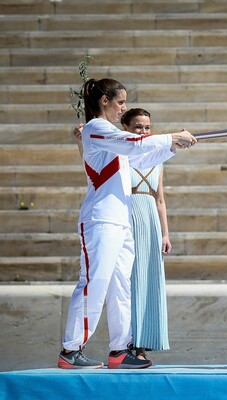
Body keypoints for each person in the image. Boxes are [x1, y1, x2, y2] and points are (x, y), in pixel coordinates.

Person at [58, 78, 197, 369]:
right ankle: (71, 350)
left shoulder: (111, 137)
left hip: (121, 221)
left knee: (121, 285)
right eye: (120, 102)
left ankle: (120, 350)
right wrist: (171, 137)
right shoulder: (97, 128)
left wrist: (172, 147)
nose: (124, 108)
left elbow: (142, 154)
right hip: (100, 220)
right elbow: (132, 142)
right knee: (94, 283)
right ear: (104, 101)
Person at [121, 108, 171, 360]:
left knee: (149, 279)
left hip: (150, 219)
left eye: (147, 127)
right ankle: (130, 344)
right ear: (126, 129)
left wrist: (165, 233)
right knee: (131, 280)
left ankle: (145, 341)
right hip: (128, 218)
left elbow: (159, 199)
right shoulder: (119, 155)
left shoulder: (157, 158)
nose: (144, 132)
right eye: (138, 127)